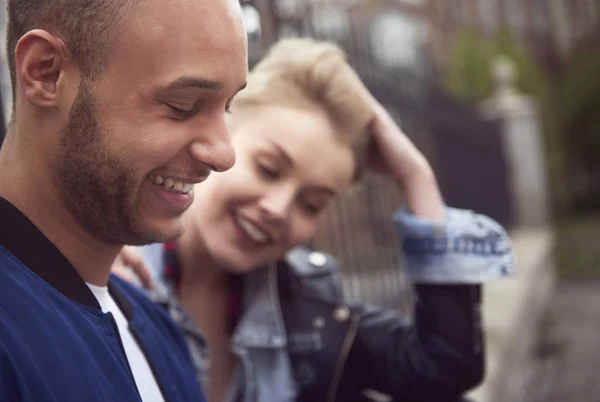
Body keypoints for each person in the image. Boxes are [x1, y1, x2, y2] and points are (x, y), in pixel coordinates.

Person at [114, 38, 516, 402]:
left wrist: (417, 176)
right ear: (222, 133)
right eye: (269, 168)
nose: (278, 208)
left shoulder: (308, 307)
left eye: (311, 204)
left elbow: (443, 370)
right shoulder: (109, 272)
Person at [0, 0, 247, 401]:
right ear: (46, 72)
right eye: (181, 107)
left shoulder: (155, 325)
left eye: (228, 106)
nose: (224, 155)